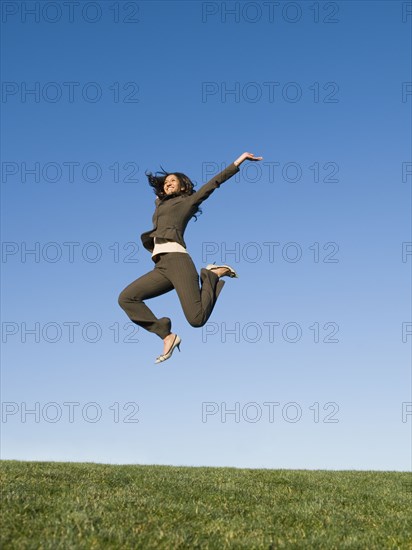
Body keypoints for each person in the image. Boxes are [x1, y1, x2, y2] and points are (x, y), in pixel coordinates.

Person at [118, 151, 263, 364]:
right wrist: (159, 198)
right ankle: (166, 335)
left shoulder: (187, 202)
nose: (168, 184)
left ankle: (211, 275)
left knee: (196, 320)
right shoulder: (161, 204)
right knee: (126, 298)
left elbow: (213, 184)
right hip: (161, 267)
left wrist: (238, 162)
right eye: (165, 182)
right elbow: (159, 205)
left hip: (178, 262)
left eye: (172, 181)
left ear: (183, 186)